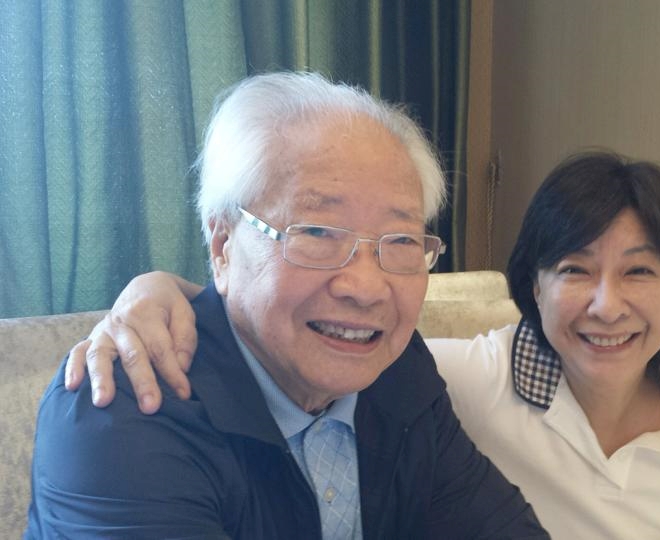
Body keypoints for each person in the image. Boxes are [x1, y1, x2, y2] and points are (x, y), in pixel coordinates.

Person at [69, 152, 660, 538]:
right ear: (532, 288)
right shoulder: (461, 376)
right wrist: (155, 292)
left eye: (641, 271)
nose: (608, 304)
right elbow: (290, 332)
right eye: (574, 270)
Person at [26, 71, 548, 539]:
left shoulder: (398, 369)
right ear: (223, 245)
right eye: (317, 232)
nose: (365, 288)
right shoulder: (117, 413)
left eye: (401, 240)